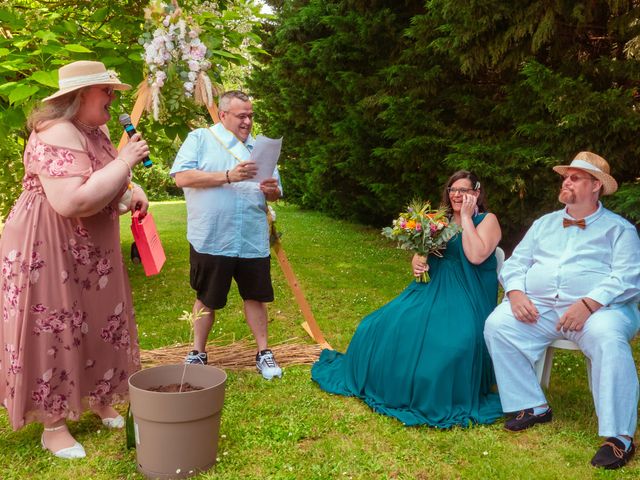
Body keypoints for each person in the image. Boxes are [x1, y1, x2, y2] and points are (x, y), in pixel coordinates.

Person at [0, 60, 150, 459]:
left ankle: (98, 397)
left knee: (100, 319)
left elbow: (100, 185)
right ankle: (53, 424)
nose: (113, 98)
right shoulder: (57, 132)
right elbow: (71, 201)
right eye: (107, 91)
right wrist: (125, 162)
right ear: (80, 96)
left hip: (87, 245)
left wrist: (130, 193)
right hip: (47, 243)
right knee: (55, 324)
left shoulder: (94, 129)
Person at [483, 152, 640, 469]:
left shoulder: (620, 230)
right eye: (565, 176)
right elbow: (515, 264)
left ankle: (620, 437)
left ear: (596, 186)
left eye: (575, 177)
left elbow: (629, 277)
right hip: (542, 308)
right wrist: (514, 293)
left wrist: (588, 303)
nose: (566, 181)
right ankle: (533, 404)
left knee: (607, 337)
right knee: (498, 324)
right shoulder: (544, 224)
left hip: (601, 311)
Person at [311, 171, 503, 427]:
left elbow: (476, 256)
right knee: (375, 326)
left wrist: (466, 218)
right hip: (430, 288)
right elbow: (422, 254)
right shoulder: (438, 221)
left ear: (476, 193)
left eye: (464, 190)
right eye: (453, 190)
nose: (457, 195)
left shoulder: (486, 220)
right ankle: (386, 384)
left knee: (451, 346)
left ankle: (424, 390)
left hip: (467, 297)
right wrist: (418, 263)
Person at [170, 90, 283, 380]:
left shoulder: (260, 148)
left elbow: (277, 193)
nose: (247, 121)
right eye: (241, 115)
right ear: (223, 115)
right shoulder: (201, 138)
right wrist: (228, 176)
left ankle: (263, 352)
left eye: (250, 115)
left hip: (250, 236)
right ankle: (197, 352)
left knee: (256, 296)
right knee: (207, 297)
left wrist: (273, 192)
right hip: (212, 235)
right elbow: (181, 177)